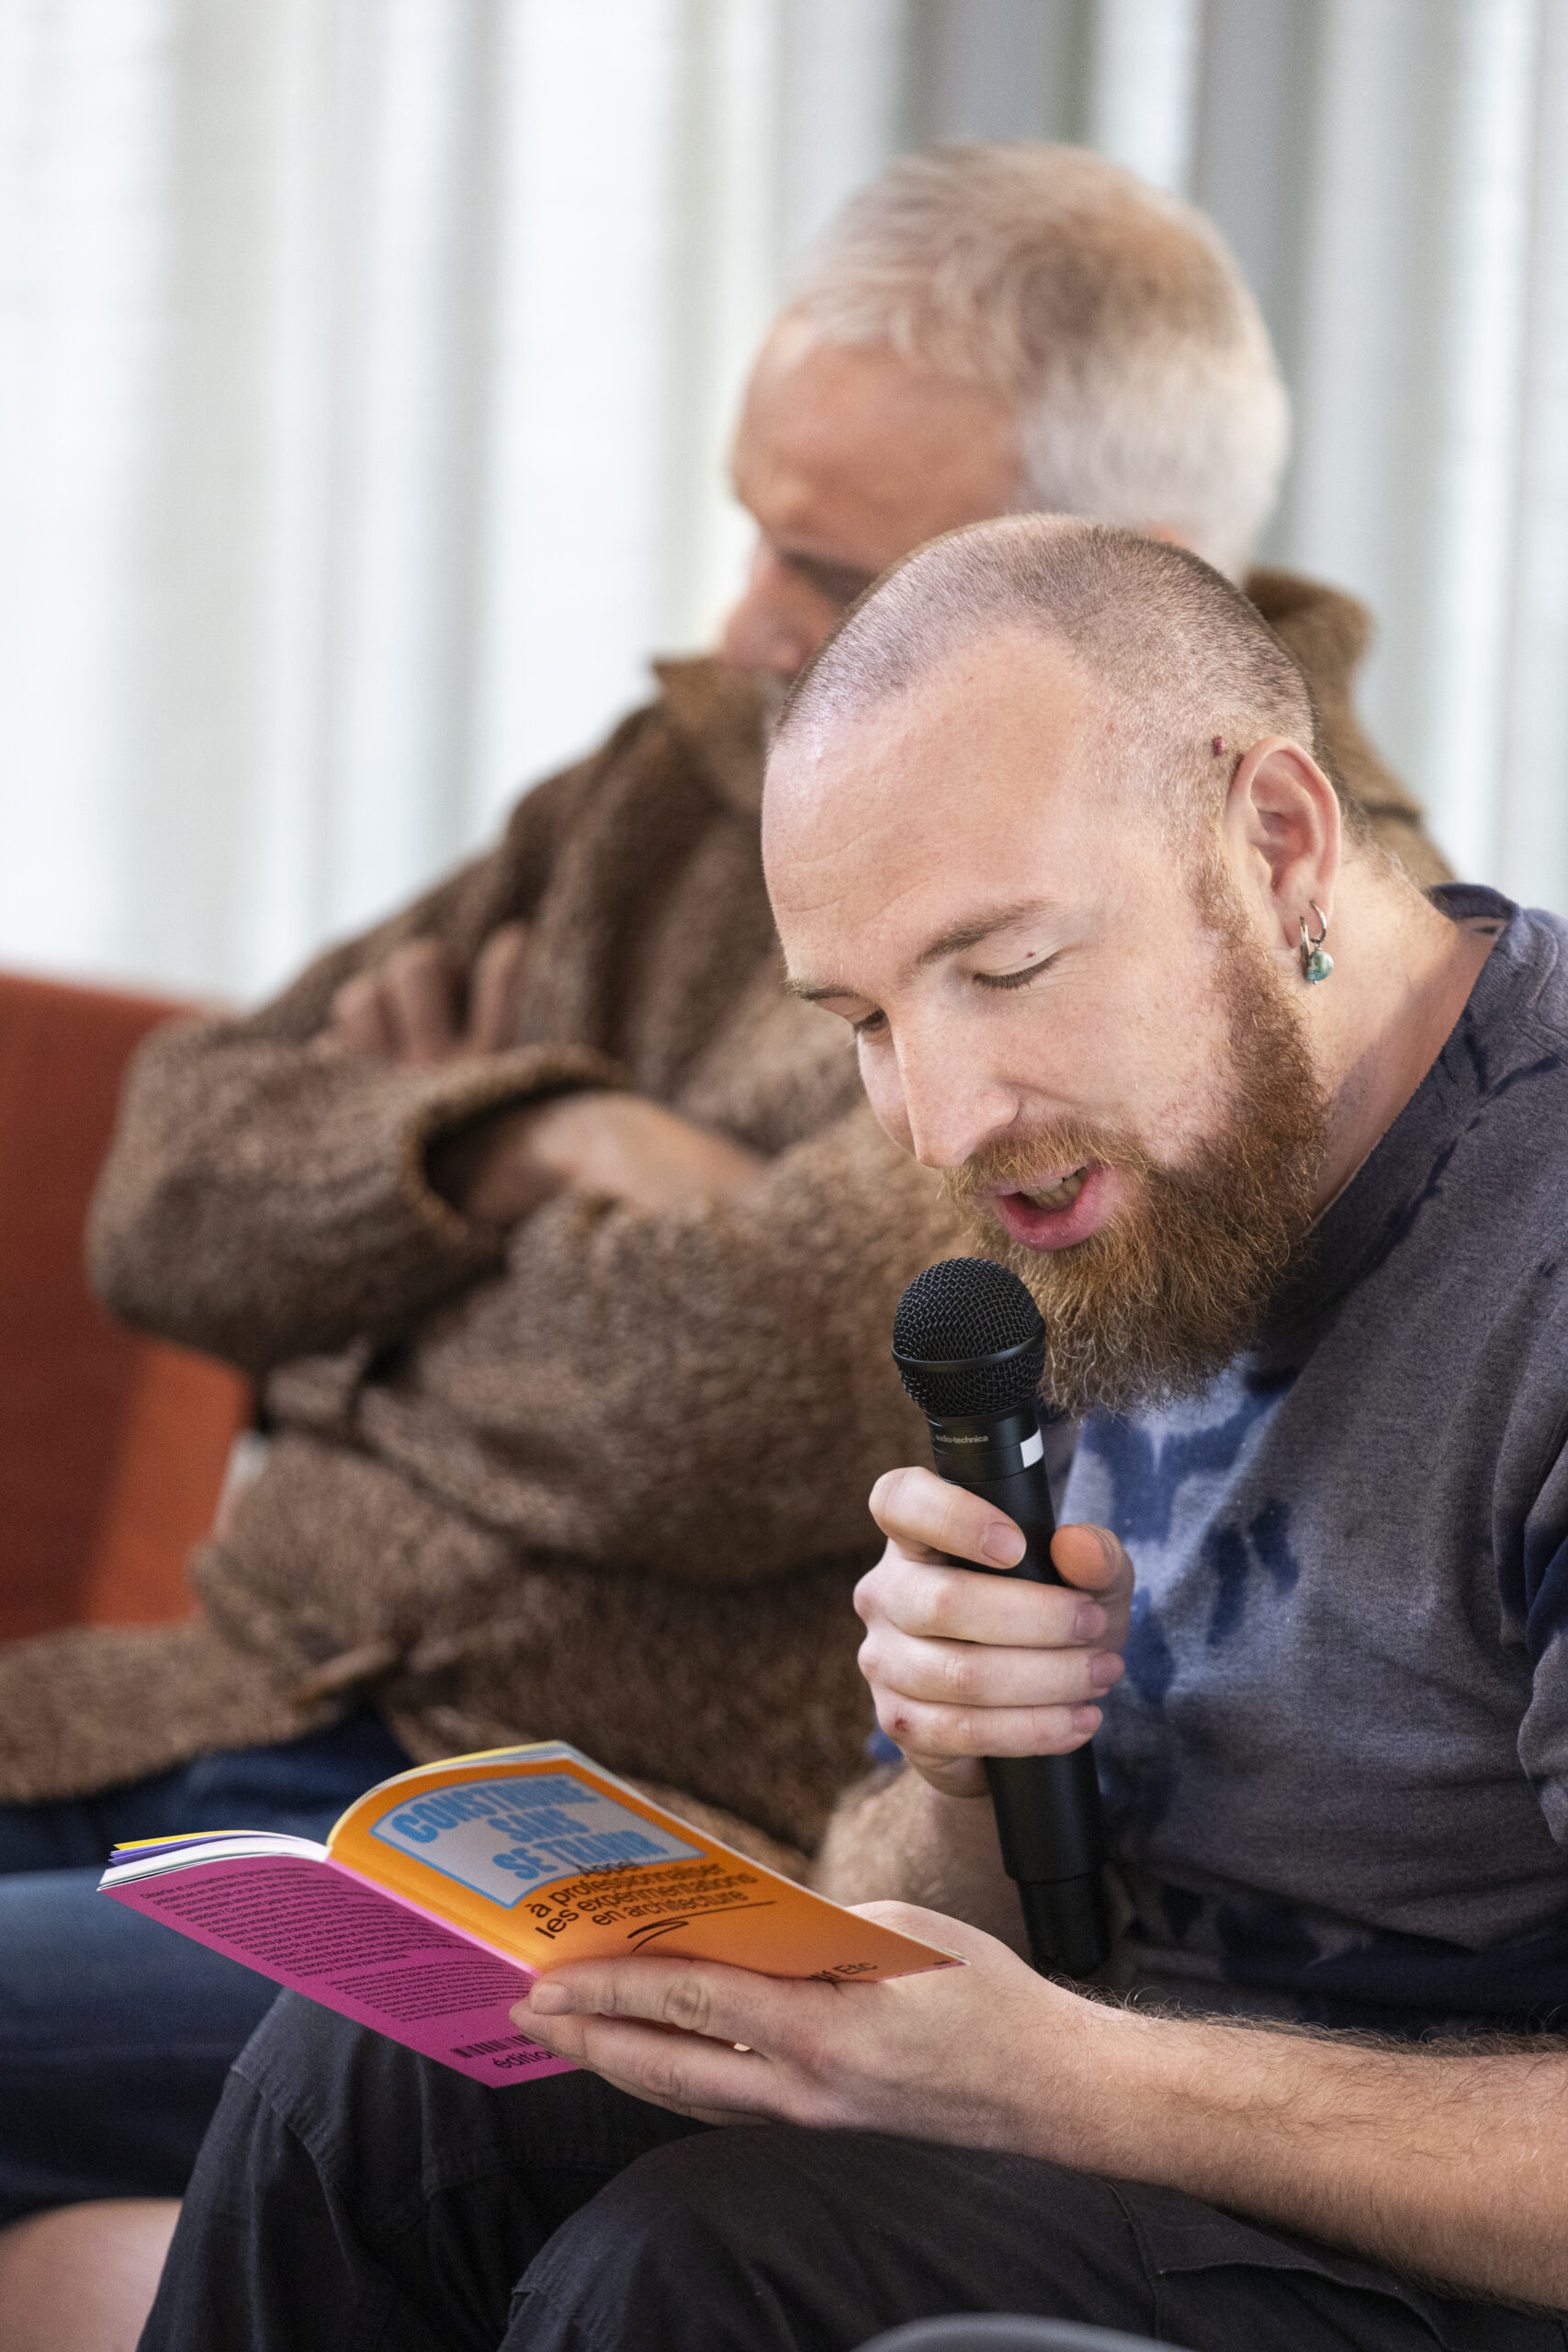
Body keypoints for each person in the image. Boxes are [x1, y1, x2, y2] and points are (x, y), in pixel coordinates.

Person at [0, 146, 1447, 2225]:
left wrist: (346, 1335)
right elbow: (161, 1194)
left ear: (1103, 568)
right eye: (753, 526)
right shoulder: (685, 765)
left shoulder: (1211, 933)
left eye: (832, 573)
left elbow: (725, 1404)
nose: (749, 625)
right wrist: (522, 1133)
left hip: (601, 1847)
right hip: (209, 1699)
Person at [142, 518, 1565, 2351]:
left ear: (1276, 840)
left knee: (687, 2269)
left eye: (1006, 964)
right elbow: (930, 1912)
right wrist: (961, 1778)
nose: (942, 1121)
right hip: (1123, 2113)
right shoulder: (1125, 1173)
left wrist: (1070, 2082)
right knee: (364, 2085)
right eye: (865, 1020)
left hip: (1443, 2259)